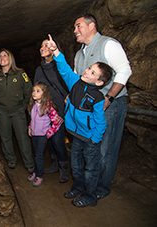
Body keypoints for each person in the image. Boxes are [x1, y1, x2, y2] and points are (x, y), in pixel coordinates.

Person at [47, 34, 113, 207]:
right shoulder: (75, 83)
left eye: (92, 72)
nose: (87, 71)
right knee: (76, 165)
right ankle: (78, 188)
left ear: (99, 82)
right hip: (76, 135)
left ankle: (90, 196)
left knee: (91, 169)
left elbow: (100, 122)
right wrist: (55, 51)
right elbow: (64, 70)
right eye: (89, 68)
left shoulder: (98, 98)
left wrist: (95, 139)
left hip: (90, 138)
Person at [73, 14, 132, 199]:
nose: (75, 31)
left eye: (78, 26)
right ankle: (90, 186)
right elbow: (78, 81)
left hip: (112, 104)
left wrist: (108, 98)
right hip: (90, 109)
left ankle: (100, 189)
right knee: (91, 149)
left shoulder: (108, 44)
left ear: (92, 26)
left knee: (106, 149)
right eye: (74, 28)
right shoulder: (79, 53)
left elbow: (125, 70)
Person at [0, 48, 35, 173]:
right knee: (5, 137)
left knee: (23, 137)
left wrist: (23, 106)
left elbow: (29, 90)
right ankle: (11, 160)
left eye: (5, 55)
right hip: (2, 112)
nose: (2, 58)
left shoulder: (20, 74)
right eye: (0, 56)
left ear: (10, 58)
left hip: (17, 111)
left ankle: (29, 163)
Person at [33, 38, 70, 183]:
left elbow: (67, 91)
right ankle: (55, 164)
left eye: (46, 45)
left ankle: (64, 168)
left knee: (58, 141)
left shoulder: (60, 67)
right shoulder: (38, 70)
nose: (43, 47)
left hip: (58, 111)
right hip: (44, 113)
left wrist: (62, 113)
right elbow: (37, 91)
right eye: (41, 45)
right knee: (49, 140)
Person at [27, 82, 61, 186]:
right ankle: (36, 172)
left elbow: (57, 122)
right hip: (34, 134)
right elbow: (33, 119)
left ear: (44, 93)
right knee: (36, 154)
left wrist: (49, 133)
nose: (34, 93)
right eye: (33, 90)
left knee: (38, 156)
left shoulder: (48, 107)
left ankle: (39, 176)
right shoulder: (33, 105)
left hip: (42, 135)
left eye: (38, 91)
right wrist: (29, 127)